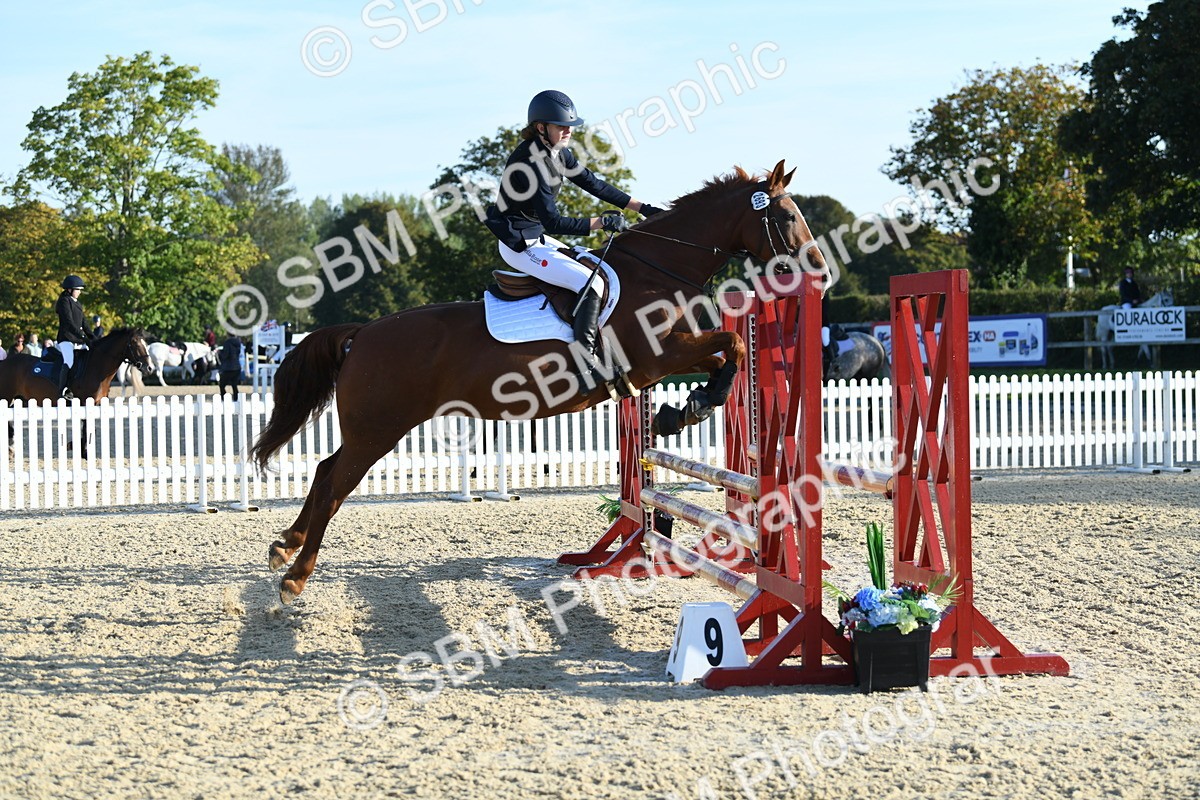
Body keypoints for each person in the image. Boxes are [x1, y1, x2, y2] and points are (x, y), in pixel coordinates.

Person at [484, 89, 664, 395]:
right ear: (541, 127)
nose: (568, 130)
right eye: (561, 126)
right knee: (589, 284)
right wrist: (602, 223)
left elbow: (593, 183)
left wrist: (642, 208)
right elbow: (553, 221)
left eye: (569, 125)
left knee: (597, 268)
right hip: (520, 244)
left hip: (536, 236)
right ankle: (584, 368)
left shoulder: (557, 152)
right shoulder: (533, 162)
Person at [55, 275, 94, 398]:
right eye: (78, 290)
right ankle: (63, 389)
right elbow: (69, 322)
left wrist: (92, 337)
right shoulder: (64, 302)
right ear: (69, 290)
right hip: (66, 339)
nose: (79, 292)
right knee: (69, 361)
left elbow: (84, 322)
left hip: (77, 339)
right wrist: (83, 336)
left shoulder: (78, 303)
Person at [217, 331, 243, 398]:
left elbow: (225, 355)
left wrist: (220, 353)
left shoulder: (227, 343)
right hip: (237, 366)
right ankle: (236, 398)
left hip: (229, 367)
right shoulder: (238, 342)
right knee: (234, 385)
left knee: (222, 384)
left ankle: (224, 397)